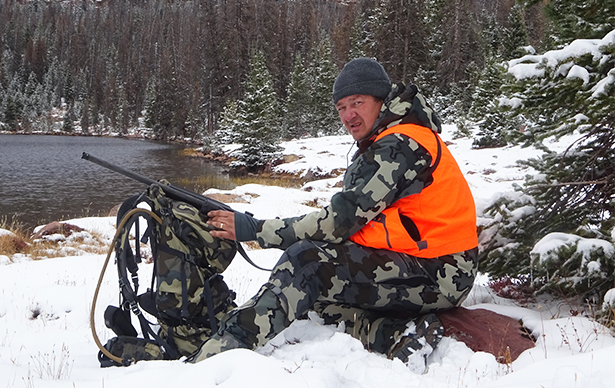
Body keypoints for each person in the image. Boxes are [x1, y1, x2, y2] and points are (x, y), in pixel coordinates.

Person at [192, 57, 479, 368]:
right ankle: (397, 333)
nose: (349, 115)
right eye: (341, 107)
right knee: (311, 297)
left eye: (357, 102)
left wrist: (253, 229)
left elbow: (337, 223)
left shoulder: (399, 146)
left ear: (381, 100)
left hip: (442, 273)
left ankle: (217, 356)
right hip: (423, 262)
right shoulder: (388, 138)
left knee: (305, 263)